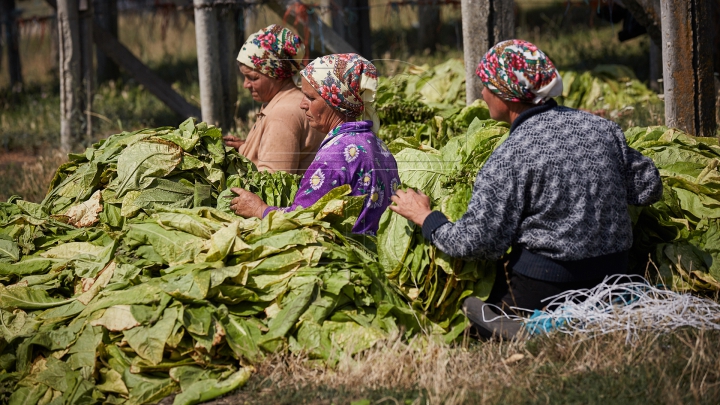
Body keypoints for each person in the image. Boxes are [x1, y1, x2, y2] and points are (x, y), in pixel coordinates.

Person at [389, 39, 663, 338]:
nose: (482, 94)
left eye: (486, 86)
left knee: (472, 317)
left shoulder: (512, 154)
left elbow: (476, 243)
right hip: (615, 278)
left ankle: (523, 324)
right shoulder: (602, 128)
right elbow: (649, 187)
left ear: (507, 96)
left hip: (548, 286)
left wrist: (425, 216)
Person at [227, 53, 399, 235]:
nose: (302, 104)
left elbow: (303, 219)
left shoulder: (334, 156)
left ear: (335, 102)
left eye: (311, 98)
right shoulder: (376, 143)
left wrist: (259, 209)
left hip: (348, 253)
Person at [223, 24, 324, 174]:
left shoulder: (282, 116)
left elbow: (273, 185)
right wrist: (248, 148)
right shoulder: (295, 98)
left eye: (253, 78)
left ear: (276, 73)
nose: (245, 85)